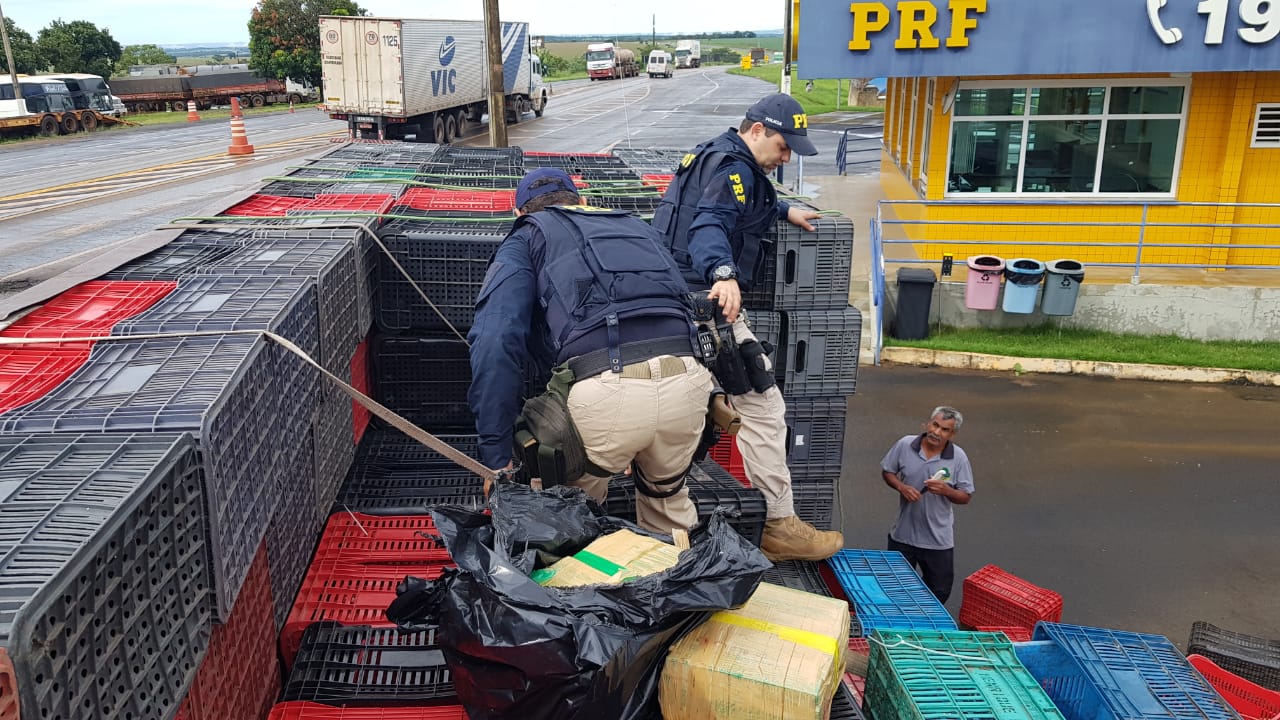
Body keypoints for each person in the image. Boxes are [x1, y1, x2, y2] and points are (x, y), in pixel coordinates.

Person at [468, 167, 715, 533]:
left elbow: (495, 340)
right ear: (582, 202)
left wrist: (497, 454)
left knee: (574, 515)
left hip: (605, 393)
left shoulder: (527, 237)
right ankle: (683, 574)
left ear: (519, 213)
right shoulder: (638, 228)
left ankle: (585, 571)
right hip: (689, 385)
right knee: (669, 503)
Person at [651, 92, 844, 562]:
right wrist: (723, 272)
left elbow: (734, 200)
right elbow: (710, 222)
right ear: (757, 130)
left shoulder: (716, 154)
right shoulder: (736, 170)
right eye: (783, 147)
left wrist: (783, 210)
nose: (786, 157)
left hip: (666, 295)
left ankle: (714, 401)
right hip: (706, 302)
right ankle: (779, 525)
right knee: (765, 405)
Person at [879, 406, 974, 604]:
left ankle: (922, 621)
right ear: (927, 423)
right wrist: (901, 487)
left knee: (939, 591)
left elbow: (965, 496)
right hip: (902, 535)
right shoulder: (905, 445)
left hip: (937, 539)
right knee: (894, 588)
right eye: (935, 425)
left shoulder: (959, 457)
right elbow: (888, 472)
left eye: (945, 429)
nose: (937, 432)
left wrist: (946, 491)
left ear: (952, 434)